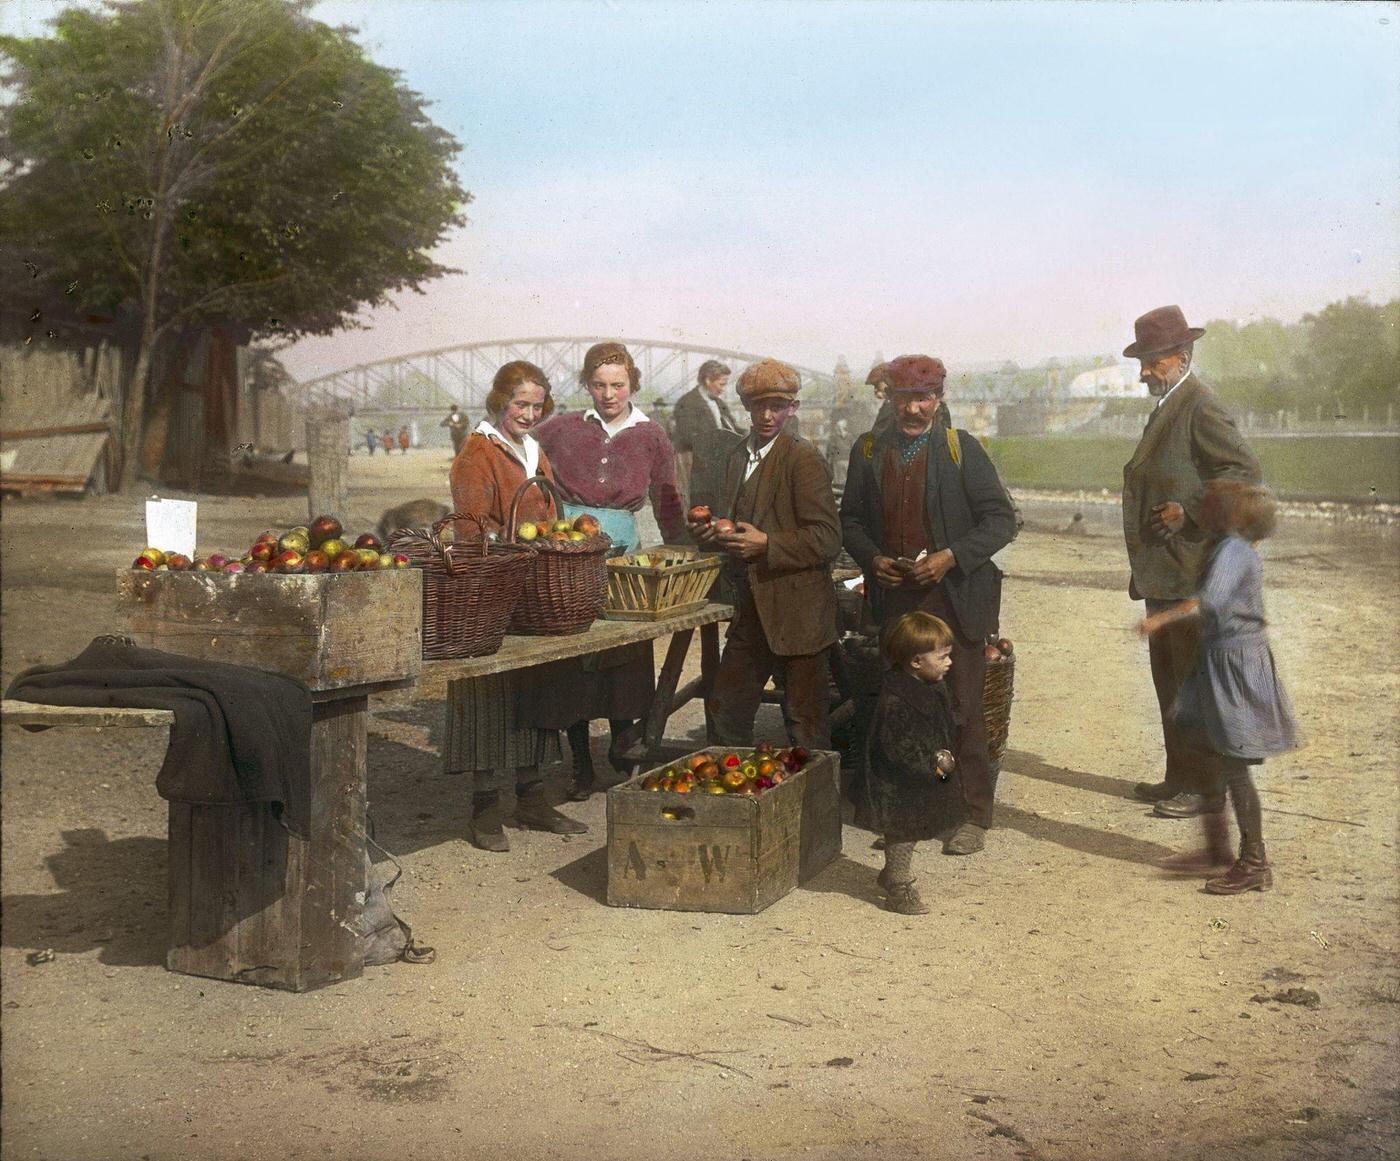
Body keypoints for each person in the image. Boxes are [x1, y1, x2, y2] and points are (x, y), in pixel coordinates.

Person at [840, 354, 1017, 856]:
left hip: (955, 598)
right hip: (898, 599)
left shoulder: (962, 450)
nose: (913, 409)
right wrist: (873, 559)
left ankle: (973, 816)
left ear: (939, 399)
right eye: (902, 399)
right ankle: (908, 811)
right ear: (889, 400)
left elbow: (1001, 520)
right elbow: (849, 519)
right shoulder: (869, 450)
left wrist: (950, 557)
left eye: (923, 398)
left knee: (962, 705)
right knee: (901, 707)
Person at [526, 341, 687, 800]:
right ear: (587, 386)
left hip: (622, 553)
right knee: (573, 650)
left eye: (617, 385)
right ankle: (580, 763)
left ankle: (624, 749)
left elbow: (668, 497)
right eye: (599, 385)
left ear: (633, 384)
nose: (608, 394)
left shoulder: (652, 434)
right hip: (568, 549)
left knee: (624, 653)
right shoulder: (559, 429)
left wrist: (680, 549)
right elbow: (521, 459)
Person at [1121, 306, 1263, 820]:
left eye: (1150, 362)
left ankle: (1204, 789)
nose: (1142, 372)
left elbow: (1246, 475)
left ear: (1181, 357)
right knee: (1171, 680)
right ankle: (1180, 777)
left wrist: (1191, 511)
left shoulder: (1200, 406)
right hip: (1166, 572)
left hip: (1190, 572)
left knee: (1190, 684)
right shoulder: (1169, 405)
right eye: (1141, 361)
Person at [446, 360, 589, 851]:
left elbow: (549, 511)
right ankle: (484, 808)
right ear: (499, 403)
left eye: (536, 405)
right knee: (490, 696)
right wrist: (509, 545)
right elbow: (468, 527)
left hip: (535, 589)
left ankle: (530, 796)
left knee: (536, 691)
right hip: (491, 587)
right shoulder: (478, 451)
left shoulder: (532, 450)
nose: (529, 413)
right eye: (520, 404)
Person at [1140, 480, 1296, 893]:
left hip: (1235, 663)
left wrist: (1160, 619)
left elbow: (1209, 600)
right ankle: (1217, 850)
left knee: (1234, 762)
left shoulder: (1232, 550)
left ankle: (1254, 861)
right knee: (1207, 746)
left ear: (1229, 515)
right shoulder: (1233, 546)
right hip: (1223, 659)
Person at [688, 358, 842, 752]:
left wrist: (768, 545)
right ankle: (735, 806)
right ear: (746, 407)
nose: (768, 415)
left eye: (777, 406)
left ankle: (813, 811)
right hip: (753, 611)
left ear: (793, 407)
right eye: (759, 406)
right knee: (725, 711)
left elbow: (827, 538)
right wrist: (711, 532)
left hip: (800, 613)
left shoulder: (803, 459)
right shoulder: (738, 456)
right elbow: (736, 523)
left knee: (805, 723)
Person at [863, 611, 959, 915]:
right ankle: (898, 886)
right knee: (902, 829)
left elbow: (944, 724)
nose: (949, 663)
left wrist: (944, 759)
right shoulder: (897, 701)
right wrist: (932, 765)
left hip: (927, 772)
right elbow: (897, 749)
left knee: (917, 826)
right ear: (916, 662)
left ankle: (893, 873)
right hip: (898, 783)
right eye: (942, 657)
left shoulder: (934, 686)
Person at [673, 359, 743, 514]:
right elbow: (687, 436)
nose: (723, 389)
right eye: (721, 384)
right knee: (693, 502)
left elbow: (733, 427)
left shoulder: (718, 403)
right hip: (692, 460)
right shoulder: (687, 402)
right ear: (708, 380)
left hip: (715, 458)